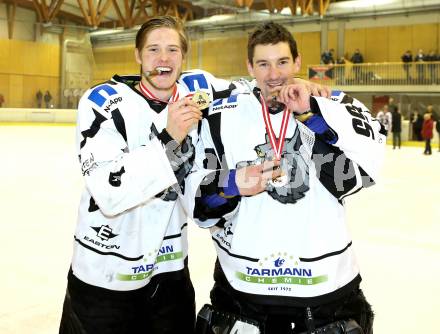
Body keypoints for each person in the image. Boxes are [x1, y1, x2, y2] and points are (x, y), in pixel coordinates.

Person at [184, 22, 385, 334]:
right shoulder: (224, 111)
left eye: (282, 62)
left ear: (298, 62)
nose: (274, 74)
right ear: (249, 66)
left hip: (325, 295)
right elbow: (199, 203)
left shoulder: (328, 104)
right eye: (263, 64)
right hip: (244, 294)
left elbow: (353, 179)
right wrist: (232, 183)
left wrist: (309, 115)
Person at [58, 15, 229, 334]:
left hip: (170, 276)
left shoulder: (197, 89)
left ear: (183, 56)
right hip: (104, 278)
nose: (163, 59)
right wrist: (167, 139)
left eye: (172, 50)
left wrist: (301, 88)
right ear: (137, 55)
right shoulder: (102, 102)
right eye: (153, 50)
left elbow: (254, 89)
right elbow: (110, 192)